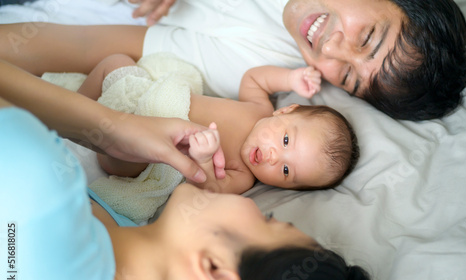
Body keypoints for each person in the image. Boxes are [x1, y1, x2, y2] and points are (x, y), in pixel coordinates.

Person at [0, 60, 381, 280]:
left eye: (267, 221)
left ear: (215, 269)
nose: (253, 204)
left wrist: (111, 127)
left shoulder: (35, 191)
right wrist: (114, 129)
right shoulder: (121, 227)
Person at [0, 0, 466, 121]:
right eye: (367, 37)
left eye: (347, 77)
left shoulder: (259, 65)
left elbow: (81, 47)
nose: (330, 51)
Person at [80, 54, 358, 195]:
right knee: (115, 62)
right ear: (286, 110)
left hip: (142, 153)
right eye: (285, 141)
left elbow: (209, 189)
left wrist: (202, 160)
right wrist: (290, 80)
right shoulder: (260, 109)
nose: (274, 157)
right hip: (147, 99)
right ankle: (68, 107)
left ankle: (77, 123)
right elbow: (254, 78)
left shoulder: (244, 176)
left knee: (114, 151)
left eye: (286, 170)